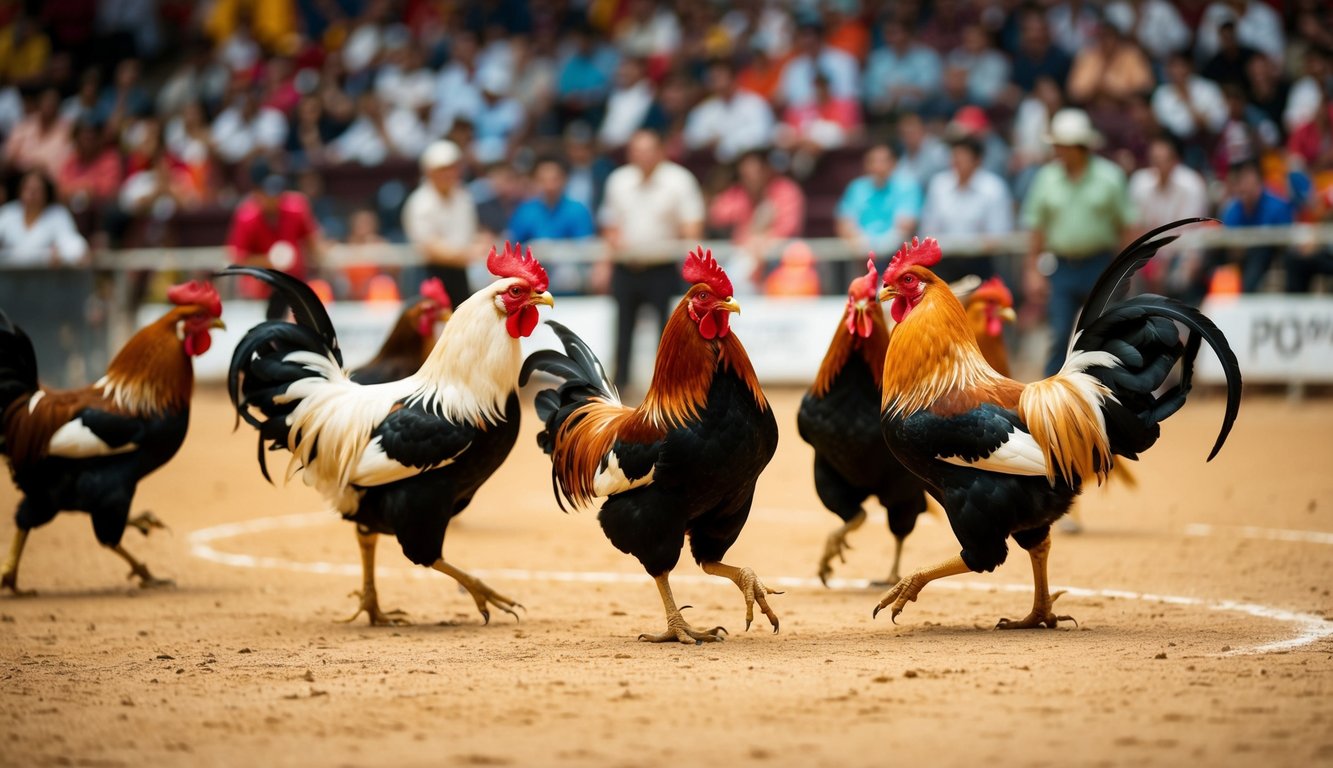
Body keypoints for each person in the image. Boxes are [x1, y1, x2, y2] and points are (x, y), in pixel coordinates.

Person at [1021, 108, 1135, 376]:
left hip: (1101, 264)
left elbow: (1127, 226)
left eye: (1062, 145)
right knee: (1060, 333)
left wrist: (1125, 270)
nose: (1057, 150)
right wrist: (1032, 270)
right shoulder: (1046, 178)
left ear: (1079, 147)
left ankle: (1111, 391)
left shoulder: (1110, 177)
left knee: (1106, 333)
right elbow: (1036, 228)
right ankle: (1051, 397)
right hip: (1061, 266)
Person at [596, 129, 704, 390]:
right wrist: (605, 262)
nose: (642, 156)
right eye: (636, 150)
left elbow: (692, 226)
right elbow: (609, 224)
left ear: (660, 151)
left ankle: (666, 389)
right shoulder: (618, 180)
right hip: (626, 265)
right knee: (622, 331)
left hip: (663, 267)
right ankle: (619, 389)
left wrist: (691, 265)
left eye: (647, 149)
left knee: (668, 334)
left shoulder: (679, 180)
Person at [227, 162, 323, 320]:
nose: (276, 198)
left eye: (278, 191)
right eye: (269, 193)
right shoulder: (246, 216)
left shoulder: (297, 206)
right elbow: (237, 258)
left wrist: (319, 254)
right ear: (257, 193)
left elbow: (314, 243)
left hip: (297, 285)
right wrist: (268, 262)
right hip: (262, 289)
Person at [919, 132, 1014, 282]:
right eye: (955, 155)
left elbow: (998, 235)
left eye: (963, 156)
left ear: (977, 160)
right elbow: (929, 231)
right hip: (945, 263)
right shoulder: (939, 184)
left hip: (981, 264)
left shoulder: (993, 188)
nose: (957, 160)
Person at [707, 149, 805, 290]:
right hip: (746, 255)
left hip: (779, 257)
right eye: (745, 173)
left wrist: (760, 239)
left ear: (767, 169)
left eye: (755, 171)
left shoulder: (786, 190)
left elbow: (787, 229)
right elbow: (717, 215)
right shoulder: (739, 192)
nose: (750, 176)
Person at [1127, 136, 1209, 298]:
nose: (1158, 165)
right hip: (1150, 251)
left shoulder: (1192, 185)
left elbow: (1191, 231)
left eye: (1163, 160)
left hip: (1184, 250)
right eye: (1154, 160)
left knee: (1182, 276)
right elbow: (1136, 227)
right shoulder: (1139, 183)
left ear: (1175, 161)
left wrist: (1167, 261)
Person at [402, 140, 479, 304]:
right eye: (442, 169)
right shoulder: (420, 202)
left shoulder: (463, 197)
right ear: (429, 172)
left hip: (460, 273)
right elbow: (429, 247)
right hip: (428, 276)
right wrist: (468, 254)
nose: (449, 174)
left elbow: (470, 233)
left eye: (452, 168)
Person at [1215, 160, 1293, 294]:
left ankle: (1245, 296)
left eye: (1248, 180)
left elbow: (1286, 241)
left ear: (1259, 182)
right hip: (1240, 256)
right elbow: (1228, 240)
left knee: (1260, 251)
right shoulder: (1232, 209)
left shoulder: (1278, 206)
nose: (1244, 186)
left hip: (1271, 255)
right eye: (1241, 181)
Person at [835, 143, 923, 255]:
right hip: (861, 255)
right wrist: (863, 245)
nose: (877, 166)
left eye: (883, 161)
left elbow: (906, 225)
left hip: (898, 255)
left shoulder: (908, 186)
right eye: (873, 161)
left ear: (894, 163)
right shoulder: (856, 187)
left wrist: (882, 247)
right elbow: (844, 223)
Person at [682, 60, 774, 163]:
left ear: (734, 77)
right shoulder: (704, 110)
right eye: (713, 78)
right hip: (713, 164)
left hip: (746, 160)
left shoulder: (755, 104)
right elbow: (691, 138)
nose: (717, 82)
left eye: (720, 76)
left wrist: (726, 142)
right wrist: (708, 141)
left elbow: (762, 135)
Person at [0, 171, 88, 266]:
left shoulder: (57, 214)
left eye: (37, 190)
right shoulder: (8, 213)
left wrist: (67, 254)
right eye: (27, 189)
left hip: (45, 278)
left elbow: (72, 244)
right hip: (10, 278)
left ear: (46, 192)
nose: (32, 194)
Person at [508, 157, 596, 243]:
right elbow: (514, 243)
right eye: (543, 180)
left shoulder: (578, 210)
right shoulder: (525, 211)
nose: (549, 186)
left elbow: (586, 245)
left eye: (554, 179)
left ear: (565, 179)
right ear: (535, 181)